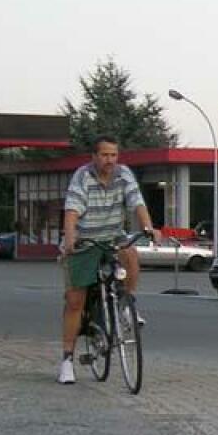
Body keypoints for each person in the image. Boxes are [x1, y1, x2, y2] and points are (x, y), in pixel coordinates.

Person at [57, 135, 154, 384]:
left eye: (113, 155)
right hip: (84, 240)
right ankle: (67, 360)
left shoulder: (124, 174)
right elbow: (72, 211)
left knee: (130, 254)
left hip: (112, 238)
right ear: (94, 157)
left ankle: (125, 306)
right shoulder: (83, 176)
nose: (109, 160)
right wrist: (70, 240)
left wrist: (148, 226)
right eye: (104, 155)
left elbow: (137, 202)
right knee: (75, 301)